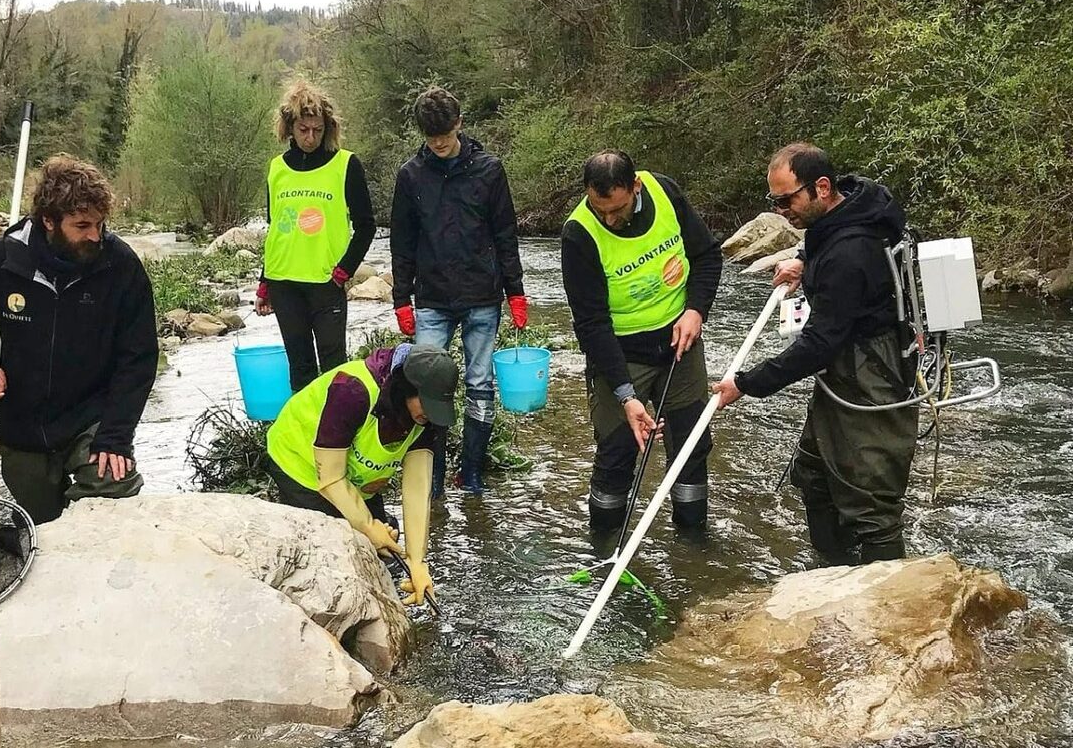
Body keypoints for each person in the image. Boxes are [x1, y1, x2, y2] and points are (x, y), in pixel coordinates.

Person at [713, 142, 917, 564]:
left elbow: (820, 344)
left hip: (871, 378)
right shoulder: (851, 207)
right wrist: (803, 258)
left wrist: (747, 384)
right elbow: (824, 237)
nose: (781, 208)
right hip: (845, 370)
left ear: (821, 187)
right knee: (813, 473)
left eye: (786, 199)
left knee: (872, 501)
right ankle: (832, 570)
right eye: (774, 200)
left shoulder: (851, 254)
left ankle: (889, 601)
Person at [0, 155, 158, 524]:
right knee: (40, 528)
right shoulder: (0, 260)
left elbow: (138, 356)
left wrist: (116, 435)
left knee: (113, 488)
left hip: (91, 416)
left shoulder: (119, 265)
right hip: (23, 424)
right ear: (48, 221)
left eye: (101, 224)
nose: (95, 235)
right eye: (82, 225)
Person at [561, 150, 723, 534]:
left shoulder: (664, 192)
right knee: (617, 454)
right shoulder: (579, 234)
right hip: (619, 354)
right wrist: (625, 395)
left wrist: (696, 310)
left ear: (635, 187)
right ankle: (604, 545)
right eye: (599, 209)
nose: (609, 219)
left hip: (679, 346)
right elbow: (592, 325)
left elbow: (707, 256)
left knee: (691, 447)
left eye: (616, 209)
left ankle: (692, 544)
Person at [390, 86, 527, 496]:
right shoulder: (410, 175)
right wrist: (401, 297)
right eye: (432, 139)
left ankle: (471, 473)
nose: (439, 144)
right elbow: (402, 241)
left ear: (459, 125)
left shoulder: (489, 170)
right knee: (426, 383)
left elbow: (505, 234)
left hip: (482, 295)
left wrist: (515, 291)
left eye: (445, 137)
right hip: (432, 297)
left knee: (480, 383)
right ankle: (432, 480)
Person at [265, 343, 456, 606]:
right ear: (405, 389)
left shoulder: (427, 417)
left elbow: (416, 488)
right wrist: (366, 525)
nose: (430, 414)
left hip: (355, 478)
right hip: (301, 463)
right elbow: (330, 478)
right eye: (426, 404)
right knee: (331, 551)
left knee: (383, 551)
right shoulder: (353, 389)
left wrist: (417, 560)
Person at [255, 79, 378, 391]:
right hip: (284, 282)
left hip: (327, 282)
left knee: (334, 366)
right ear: (289, 128)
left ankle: (338, 434)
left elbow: (366, 227)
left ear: (328, 128)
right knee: (300, 366)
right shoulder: (276, 169)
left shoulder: (346, 164)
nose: (310, 138)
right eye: (303, 130)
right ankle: (307, 435)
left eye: (317, 130)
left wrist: (343, 272)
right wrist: (264, 282)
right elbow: (276, 230)